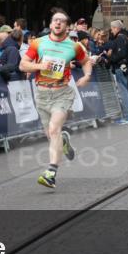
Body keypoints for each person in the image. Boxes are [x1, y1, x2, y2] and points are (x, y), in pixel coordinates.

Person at [20, 10, 94, 190]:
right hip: (42, 94)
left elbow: (86, 62)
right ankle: (64, 141)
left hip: (62, 93)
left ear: (67, 26)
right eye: (55, 20)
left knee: (54, 129)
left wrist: (87, 76)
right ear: (51, 24)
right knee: (52, 135)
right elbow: (23, 64)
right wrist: (39, 66)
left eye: (62, 21)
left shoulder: (74, 46)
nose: (58, 24)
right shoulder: (38, 43)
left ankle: (51, 173)